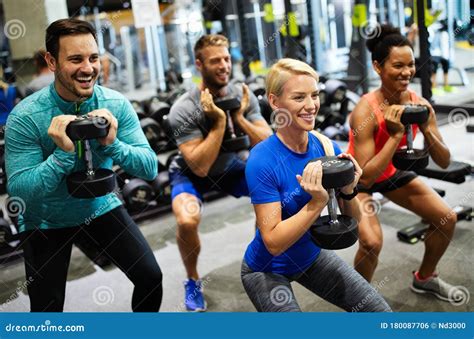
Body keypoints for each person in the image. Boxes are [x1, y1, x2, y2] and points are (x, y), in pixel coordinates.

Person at [5, 18, 163, 312]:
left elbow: (150, 168)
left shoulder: (115, 104)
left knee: (150, 277)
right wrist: (63, 155)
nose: (88, 68)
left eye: (92, 58)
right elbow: (20, 191)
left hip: (99, 207)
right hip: (45, 219)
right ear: (52, 61)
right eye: (75, 59)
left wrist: (112, 144)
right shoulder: (25, 117)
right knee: (47, 312)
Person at [241, 58, 391, 312]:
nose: (311, 106)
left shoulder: (325, 147)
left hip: (311, 256)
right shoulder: (261, 161)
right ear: (275, 102)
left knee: (378, 313)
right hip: (267, 267)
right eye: (299, 98)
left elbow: (351, 220)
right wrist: (316, 203)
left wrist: (349, 190)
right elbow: (273, 243)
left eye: (315, 95)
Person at [348, 24, 461, 302]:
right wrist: (395, 135)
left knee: (446, 219)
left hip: (389, 172)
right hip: (357, 178)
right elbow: (365, 179)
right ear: (377, 67)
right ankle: (357, 302)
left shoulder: (417, 102)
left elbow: (444, 161)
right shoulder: (365, 111)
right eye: (398, 65)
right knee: (372, 242)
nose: (407, 72)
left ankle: (425, 278)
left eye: (411, 65)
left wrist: (427, 129)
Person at [167, 34, 272, 312]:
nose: (224, 65)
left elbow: (267, 142)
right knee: (187, 221)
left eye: (226, 59)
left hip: (231, 167)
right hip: (191, 173)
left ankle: (260, 262)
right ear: (199, 64)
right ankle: (192, 280)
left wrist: (238, 118)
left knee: (278, 191)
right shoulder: (184, 109)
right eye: (216, 61)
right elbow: (200, 166)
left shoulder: (241, 95)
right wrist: (218, 122)